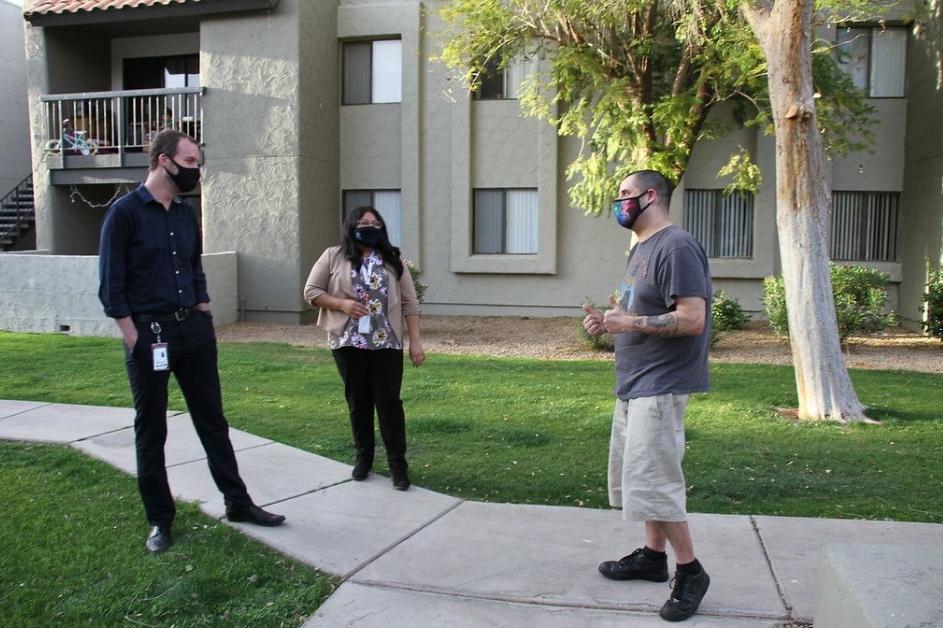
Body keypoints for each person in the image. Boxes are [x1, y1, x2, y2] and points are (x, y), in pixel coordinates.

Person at [98, 129, 285, 555]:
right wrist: (133, 337)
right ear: (163, 160)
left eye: (197, 163)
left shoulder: (184, 215)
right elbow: (112, 286)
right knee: (152, 428)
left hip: (193, 332)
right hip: (150, 333)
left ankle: (238, 503)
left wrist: (204, 307)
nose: (195, 171)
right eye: (189, 163)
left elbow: (193, 265)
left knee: (212, 421)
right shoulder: (124, 214)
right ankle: (160, 521)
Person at [582, 170, 712, 622]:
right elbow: (635, 312)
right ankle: (653, 557)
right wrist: (608, 322)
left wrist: (631, 324)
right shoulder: (640, 248)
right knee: (641, 480)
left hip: (661, 384)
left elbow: (692, 318)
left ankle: (690, 572)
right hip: (636, 382)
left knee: (657, 482)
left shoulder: (676, 246)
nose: (618, 203)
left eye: (624, 195)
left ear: (650, 196)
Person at [304, 207, 424, 490]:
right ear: (351, 226)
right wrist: (341, 304)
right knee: (359, 402)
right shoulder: (334, 255)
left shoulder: (393, 260)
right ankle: (364, 460)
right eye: (363, 222)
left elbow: (410, 303)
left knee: (389, 403)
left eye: (375, 223)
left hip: (387, 342)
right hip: (348, 342)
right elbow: (311, 291)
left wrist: (415, 341)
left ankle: (398, 466)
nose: (370, 227)